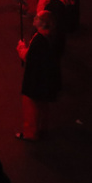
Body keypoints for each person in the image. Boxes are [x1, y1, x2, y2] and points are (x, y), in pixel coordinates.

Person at [16, 10, 61, 141]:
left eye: (37, 17)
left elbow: (30, 58)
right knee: (42, 106)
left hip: (35, 79)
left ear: (42, 23)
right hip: (46, 77)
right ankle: (42, 129)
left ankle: (30, 133)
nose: (34, 19)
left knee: (30, 107)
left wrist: (21, 49)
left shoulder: (38, 39)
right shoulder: (50, 36)